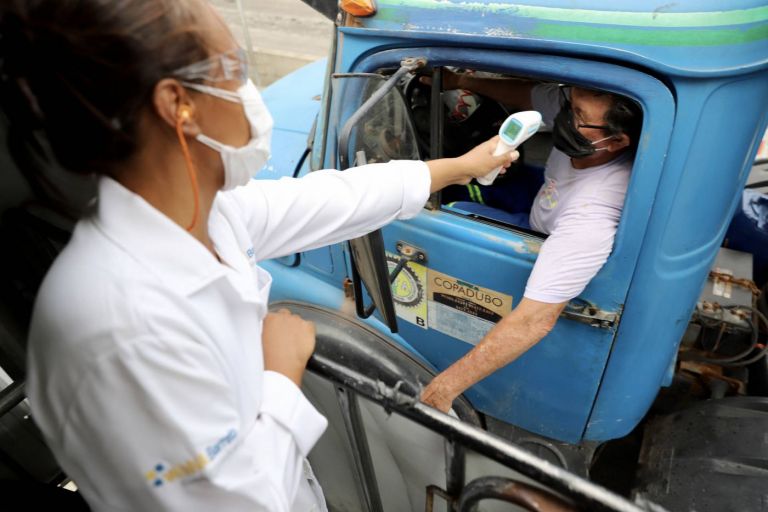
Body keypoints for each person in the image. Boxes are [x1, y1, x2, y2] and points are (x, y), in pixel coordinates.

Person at [0, 2, 517, 511]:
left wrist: (459, 168)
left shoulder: (207, 213)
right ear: (178, 104)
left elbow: (333, 198)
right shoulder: (116, 329)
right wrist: (281, 373)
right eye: (234, 67)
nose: (249, 91)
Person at [421, 70, 642, 412]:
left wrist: (442, 390)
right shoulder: (585, 122)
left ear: (615, 142)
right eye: (569, 102)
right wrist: (461, 82)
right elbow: (531, 96)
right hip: (542, 199)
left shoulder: (592, 217)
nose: (563, 115)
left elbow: (534, 320)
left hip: (546, 230)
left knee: (455, 210)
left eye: (576, 115)